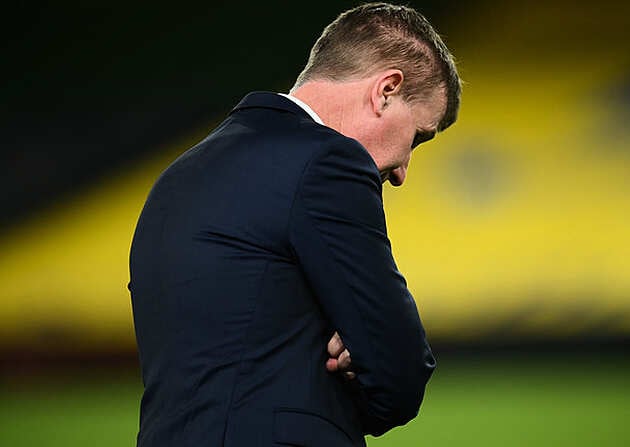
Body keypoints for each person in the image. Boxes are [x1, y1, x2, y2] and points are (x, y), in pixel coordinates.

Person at [128, 2, 461, 446]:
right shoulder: (329, 161)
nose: (401, 171)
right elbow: (400, 370)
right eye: (418, 136)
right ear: (386, 90)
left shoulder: (177, 176)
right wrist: (359, 352)